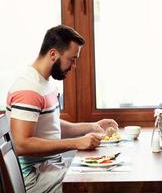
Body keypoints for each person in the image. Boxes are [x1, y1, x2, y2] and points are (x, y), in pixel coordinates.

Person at [5, 25, 118, 193]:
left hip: (51, 168)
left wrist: (92, 126)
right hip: (34, 178)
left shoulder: (45, 83)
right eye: (72, 59)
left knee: (106, 171)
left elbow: (51, 126)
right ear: (53, 54)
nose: (74, 66)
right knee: (102, 183)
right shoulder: (28, 88)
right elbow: (22, 144)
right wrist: (76, 143)